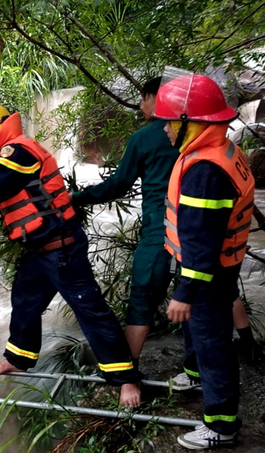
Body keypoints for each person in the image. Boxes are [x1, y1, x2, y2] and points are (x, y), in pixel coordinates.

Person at [0, 101, 143, 407]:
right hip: (41, 251)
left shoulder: (16, 152)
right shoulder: (10, 154)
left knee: (91, 311)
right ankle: (18, 358)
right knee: (25, 300)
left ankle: (127, 380)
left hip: (62, 247)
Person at [72, 78, 258, 382]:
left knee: (144, 296)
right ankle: (243, 348)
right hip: (209, 232)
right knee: (215, 288)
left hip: (163, 230)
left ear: (157, 100)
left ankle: (126, 373)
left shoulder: (146, 138)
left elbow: (118, 185)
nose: (144, 107)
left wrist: (77, 198)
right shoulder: (219, 143)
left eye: (144, 99)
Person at [155, 72, 253, 449]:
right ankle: (195, 376)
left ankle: (221, 426)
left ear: (189, 122)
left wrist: (184, 291)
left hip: (208, 274)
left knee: (214, 345)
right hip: (221, 269)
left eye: (168, 121)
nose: (164, 129)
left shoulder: (204, 172)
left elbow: (201, 243)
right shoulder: (219, 151)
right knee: (201, 333)